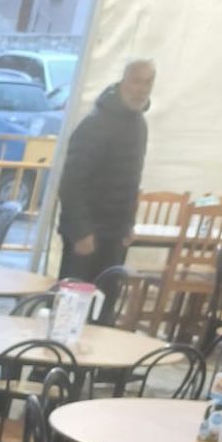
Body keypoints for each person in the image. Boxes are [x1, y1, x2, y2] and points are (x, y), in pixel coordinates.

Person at [57, 57, 155, 284]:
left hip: (116, 234)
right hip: (86, 234)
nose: (141, 89)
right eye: (136, 82)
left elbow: (131, 179)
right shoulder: (96, 123)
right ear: (122, 82)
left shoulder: (139, 125)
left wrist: (129, 223)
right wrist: (81, 231)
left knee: (104, 306)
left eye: (148, 83)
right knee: (71, 304)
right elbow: (72, 182)